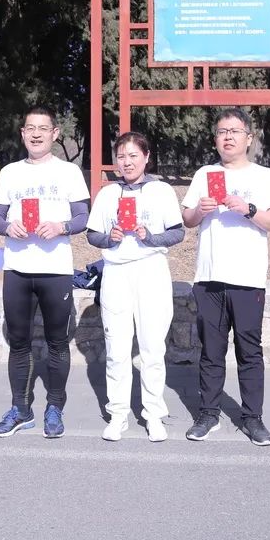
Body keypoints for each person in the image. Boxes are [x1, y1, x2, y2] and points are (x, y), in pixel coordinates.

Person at [181, 108, 270, 446]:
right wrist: (200, 211)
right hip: (209, 278)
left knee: (249, 352)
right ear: (216, 139)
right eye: (222, 132)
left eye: (235, 131)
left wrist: (249, 209)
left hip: (248, 279)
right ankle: (208, 414)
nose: (227, 137)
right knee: (211, 352)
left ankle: (252, 418)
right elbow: (187, 219)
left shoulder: (265, 176)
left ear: (248, 138)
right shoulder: (205, 174)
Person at [0, 107, 90, 438]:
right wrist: (8, 227)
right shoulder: (10, 172)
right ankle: (20, 409)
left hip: (55, 270)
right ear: (22, 133)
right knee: (18, 342)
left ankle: (55, 407)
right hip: (17, 270)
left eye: (42, 128)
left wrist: (61, 226)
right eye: (30, 128)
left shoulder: (69, 172)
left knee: (57, 342)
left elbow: (82, 217)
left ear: (54, 133)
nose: (36, 134)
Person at [86, 131, 184, 442]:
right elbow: (92, 234)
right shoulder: (108, 194)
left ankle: (153, 414)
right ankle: (118, 414)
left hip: (151, 271)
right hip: (116, 273)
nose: (127, 162)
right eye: (121, 156)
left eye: (133, 155)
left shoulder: (161, 191)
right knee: (117, 350)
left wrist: (150, 237)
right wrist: (109, 238)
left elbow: (177, 232)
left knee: (152, 348)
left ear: (146, 157)